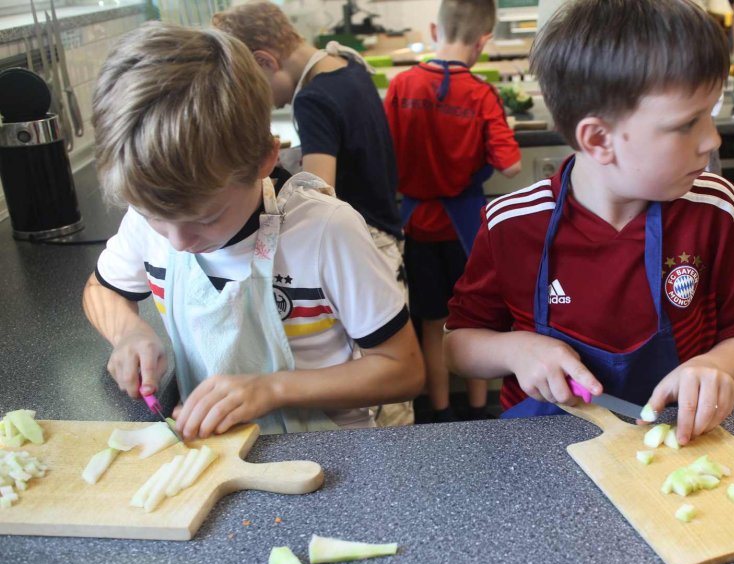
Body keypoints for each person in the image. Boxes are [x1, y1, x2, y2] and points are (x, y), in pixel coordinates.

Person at [443, 0, 734, 445]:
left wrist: (717, 367)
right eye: (687, 124)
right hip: (541, 449)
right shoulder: (512, 224)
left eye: (711, 114)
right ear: (598, 139)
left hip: (678, 442)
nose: (712, 140)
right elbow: (457, 346)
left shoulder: (717, 210)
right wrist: (514, 349)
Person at [83, 22, 424, 438]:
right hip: (217, 450)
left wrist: (272, 388)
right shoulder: (149, 219)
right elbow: (101, 291)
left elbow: (402, 370)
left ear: (265, 158)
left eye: (207, 218)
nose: (178, 241)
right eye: (153, 215)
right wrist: (128, 333)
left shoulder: (326, 232)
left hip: (329, 451)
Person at [212, 1, 414, 427]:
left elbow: (321, 189)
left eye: (250, 83)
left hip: (363, 245)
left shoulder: (312, 100)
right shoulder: (346, 66)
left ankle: (398, 456)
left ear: (266, 61)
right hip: (387, 229)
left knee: (381, 390)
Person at [384, 0, 521, 422]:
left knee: (431, 322)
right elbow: (511, 165)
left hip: (416, 225)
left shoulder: (402, 86)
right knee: (477, 321)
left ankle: (441, 412)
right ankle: (479, 410)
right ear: (484, 40)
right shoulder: (480, 93)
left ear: (433, 29)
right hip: (467, 228)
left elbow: (384, 155)